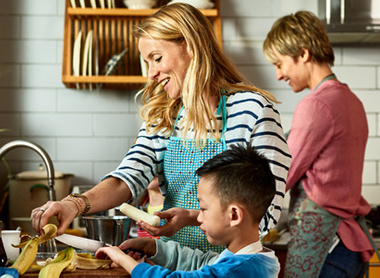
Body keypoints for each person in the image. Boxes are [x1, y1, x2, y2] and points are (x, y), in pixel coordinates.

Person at [31, 3, 291, 253]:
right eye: (148, 63)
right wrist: (73, 205)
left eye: (156, 58)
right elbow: (128, 178)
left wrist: (198, 230)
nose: (151, 74)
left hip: (231, 268)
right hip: (173, 265)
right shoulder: (164, 116)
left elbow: (265, 211)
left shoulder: (253, 110)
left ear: (189, 47)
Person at [263, 10, 375, 277]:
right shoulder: (353, 102)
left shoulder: (316, 105)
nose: (278, 75)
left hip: (324, 245)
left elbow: (282, 175)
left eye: (279, 64)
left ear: (303, 54)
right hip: (349, 249)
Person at [95, 144, 280, 278]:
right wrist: (151, 246)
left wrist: (125, 261)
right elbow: (199, 262)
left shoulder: (237, 270)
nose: (198, 217)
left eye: (203, 209)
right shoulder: (249, 259)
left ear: (234, 215)